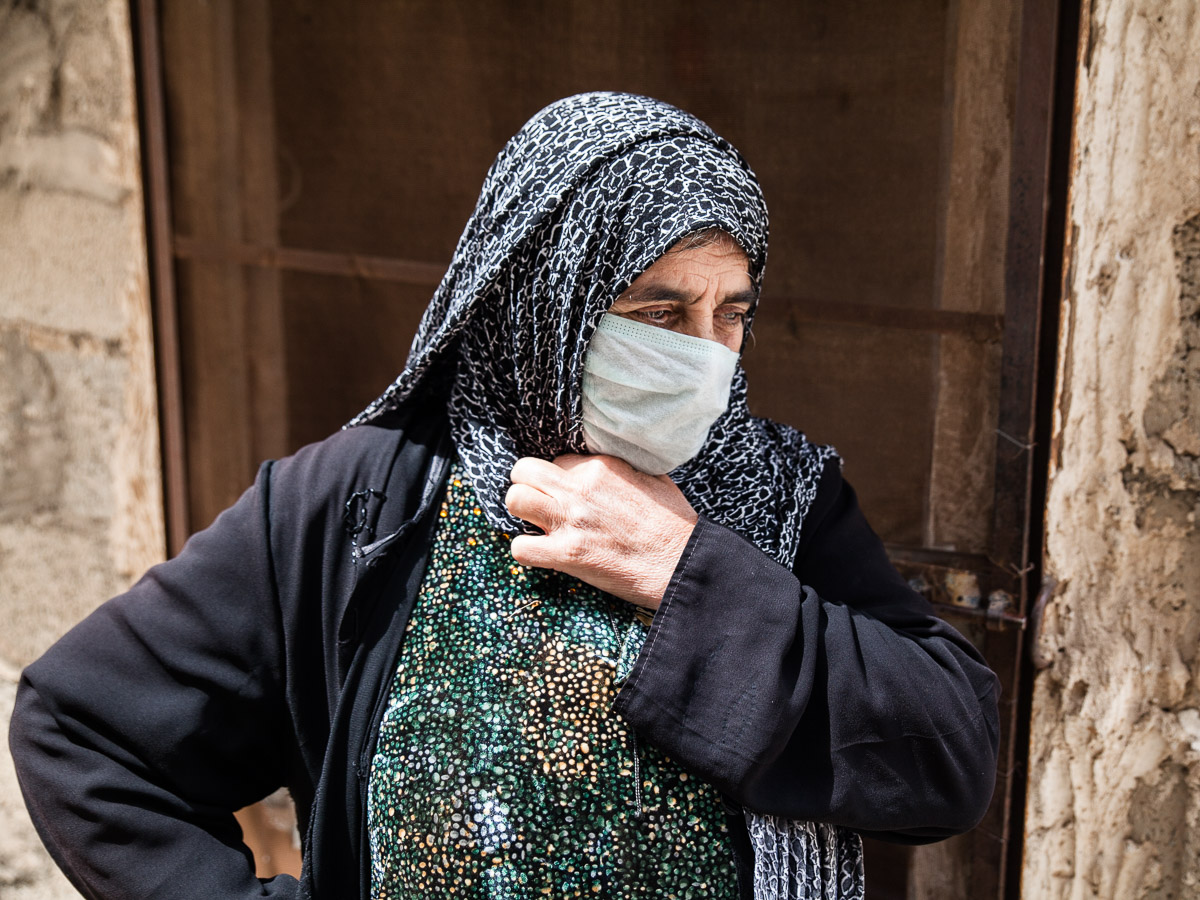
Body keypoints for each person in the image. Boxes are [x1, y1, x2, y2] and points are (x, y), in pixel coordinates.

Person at [10, 93, 999, 900]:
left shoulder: (780, 500)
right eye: (659, 312)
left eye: (731, 313)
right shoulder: (369, 498)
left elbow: (947, 758)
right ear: (547, 297)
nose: (707, 355)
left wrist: (687, 571)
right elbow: (83, 728)